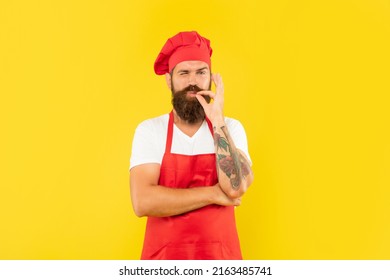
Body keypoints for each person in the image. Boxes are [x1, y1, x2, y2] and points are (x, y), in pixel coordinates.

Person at [129, 31, 254, 260]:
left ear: (210, 78)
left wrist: (217, 121)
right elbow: (143, 201)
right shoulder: (150, 131)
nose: (193, 82)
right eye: (184, 73)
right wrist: (214, 194)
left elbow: (235, 187)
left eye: (201, 72)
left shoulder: (230, 128)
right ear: (169, 80)